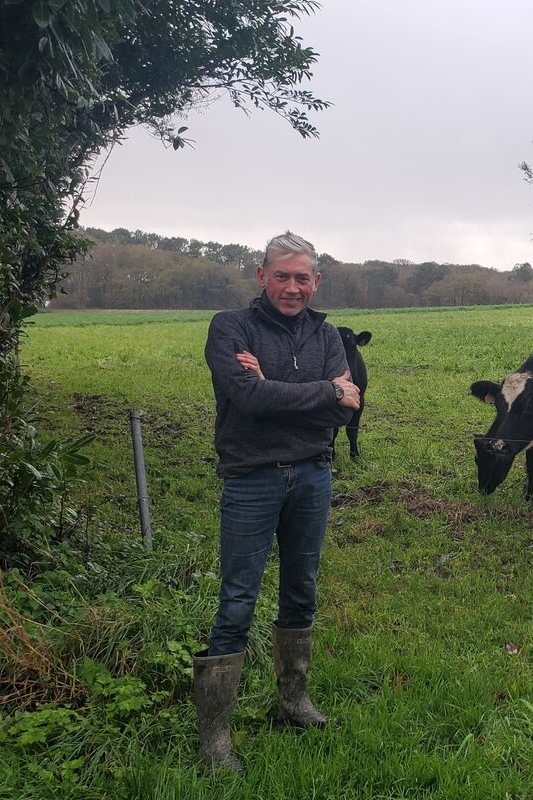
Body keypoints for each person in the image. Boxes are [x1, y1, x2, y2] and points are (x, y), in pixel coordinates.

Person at [193, 231, 361, 771]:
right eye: (282, 276)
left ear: (316, 281)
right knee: (238, 599)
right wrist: (324, 390)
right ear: (261, 276)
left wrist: (285, 391)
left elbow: (344, 411)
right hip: (251, 479)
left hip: (313, 475)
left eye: (303, 277)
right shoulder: (230, 327)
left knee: (302, 589)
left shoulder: (327, 333)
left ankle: (292, 699)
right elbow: (248, 398)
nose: (293, 287)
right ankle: (215, 734)